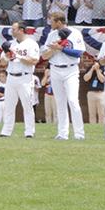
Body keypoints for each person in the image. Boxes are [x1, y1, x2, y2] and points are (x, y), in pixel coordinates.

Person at [42, 12, 87, 141]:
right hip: (55, 69)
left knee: (73, 100)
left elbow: (78, 53)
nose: (50, 23)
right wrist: (54, 48)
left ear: (59, 22)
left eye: (52, 20)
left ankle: (79, 133)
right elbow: (44, 56)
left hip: (71, 70)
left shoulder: (74, 33)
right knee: (60, 102)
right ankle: (63, 133)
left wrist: (61, 48)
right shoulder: (51, 35)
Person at [0, 20, 42, 138]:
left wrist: (18, 56)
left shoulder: (31, 43)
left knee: (27, 105)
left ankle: (29, 132)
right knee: (9, 105)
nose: (11, 31)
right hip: (11, 77)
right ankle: (6, 131)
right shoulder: (10, 44)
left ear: (21, 30)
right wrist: (7, 57)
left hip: (25, 77)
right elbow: (2, 63)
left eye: (14, 29)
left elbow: (34, 61)